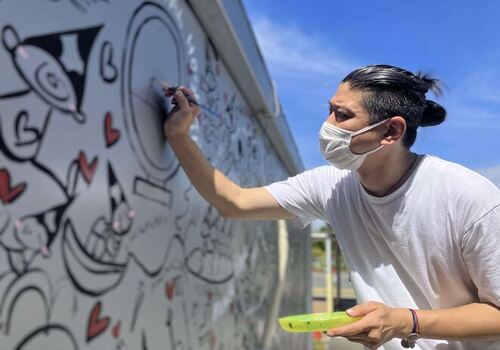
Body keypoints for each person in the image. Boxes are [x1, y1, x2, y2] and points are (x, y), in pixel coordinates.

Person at [162, 64, 500, 350]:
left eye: (343, 115)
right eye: (330, 110)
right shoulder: (331, 184)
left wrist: (406, 321)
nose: (327, 125)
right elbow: (233, 202)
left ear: (391, 131)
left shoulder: (468, 197)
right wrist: (179, 136)